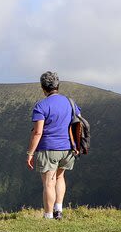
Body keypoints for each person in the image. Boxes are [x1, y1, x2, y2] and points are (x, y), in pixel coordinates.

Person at [26, 71, 80, 220]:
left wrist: (30, 153)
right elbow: (76, 123)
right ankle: (58, 210)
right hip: (68, 149)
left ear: (43, 87)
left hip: (49, 148)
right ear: (58, 85)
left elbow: (38, 132)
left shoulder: (41, 106)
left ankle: (48, 216)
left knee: (49, 182)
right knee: (60, 177)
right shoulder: (71, 103)